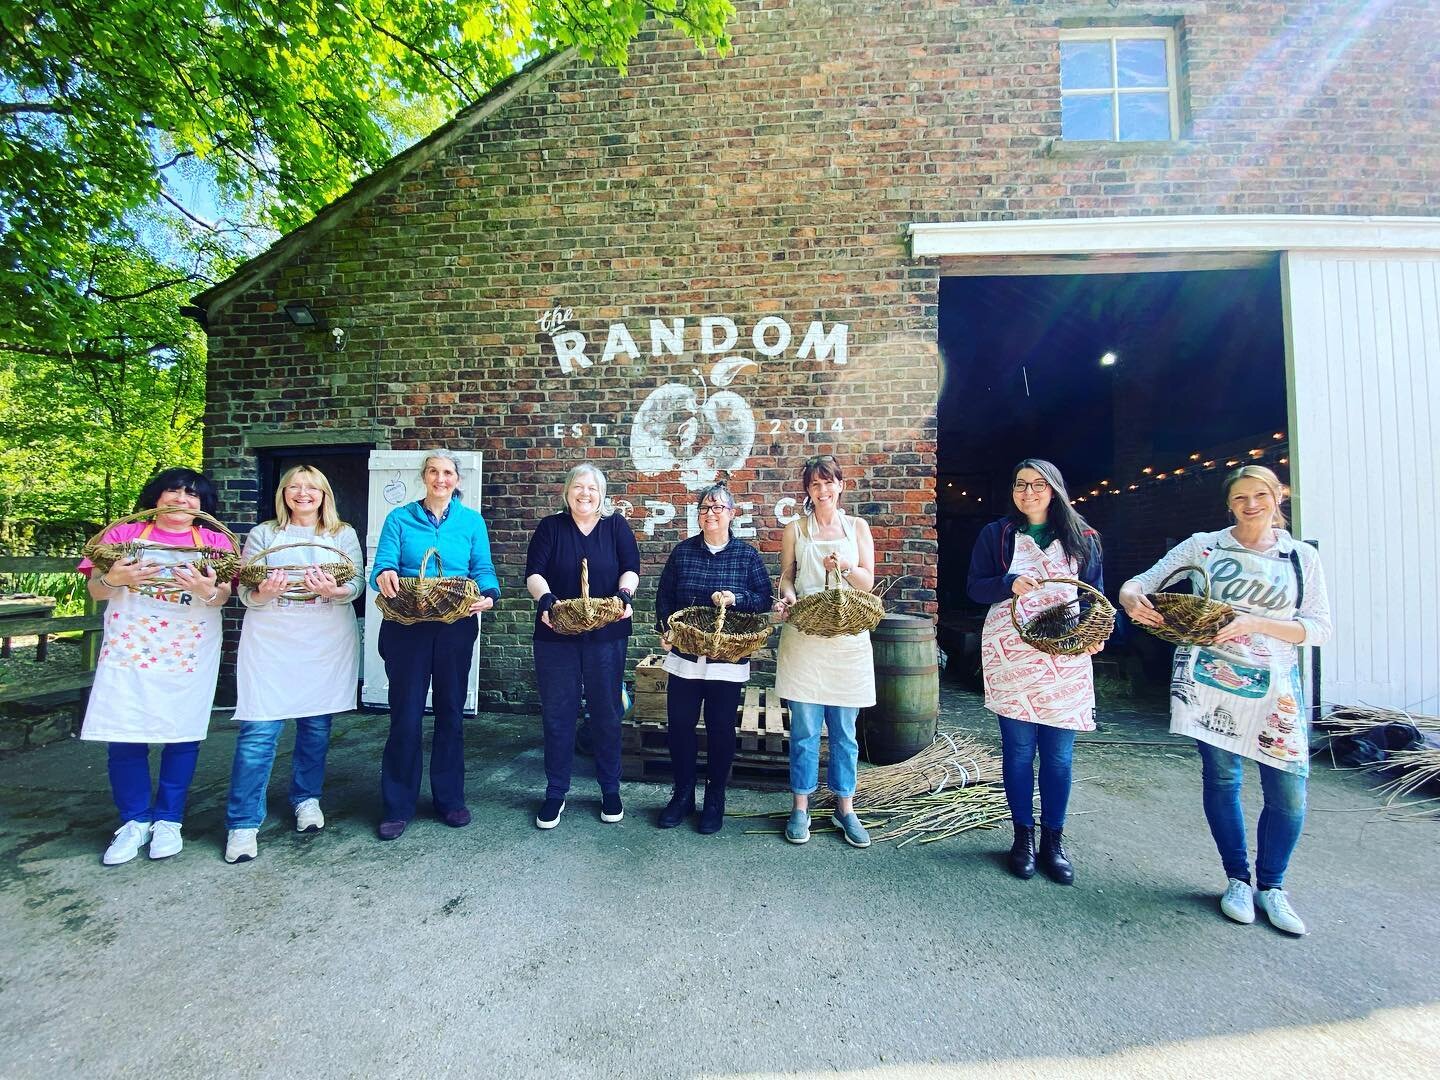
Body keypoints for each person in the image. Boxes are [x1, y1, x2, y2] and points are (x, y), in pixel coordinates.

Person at [1119, 465, 1331, 936]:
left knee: (1288, 793)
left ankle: (1272, 886)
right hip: (1212, 679)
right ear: (1228, 503)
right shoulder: (1205, 546)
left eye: (1260, 495)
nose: (1250, 504)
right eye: (1240, 498)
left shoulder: (1299, 558)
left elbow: (1318, 627)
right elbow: (1141, 582)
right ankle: (1237, 878)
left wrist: (1257, 623)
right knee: (1222, 778)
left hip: (1274, 686)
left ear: (1278, 498)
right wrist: (1133, 597)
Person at [78, 467, 235, 865]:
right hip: (132, 649)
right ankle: (133, 821)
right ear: (156, 497)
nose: (182, 500)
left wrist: (208, 590)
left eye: (192, 496)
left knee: (182, 734)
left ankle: (168, 819)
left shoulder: (215, 542)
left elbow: (224, 596)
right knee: (125, 733)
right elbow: (95, 589)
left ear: (204, 506)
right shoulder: (122, 537)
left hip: (187, 649)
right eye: (173, 492)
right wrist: (115, 578)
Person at [966, 459, 1104, 885]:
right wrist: (1007, 583)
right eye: (1020, 484)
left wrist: (1098, 639)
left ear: (1056, 490)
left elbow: (1097, 597)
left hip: (1065, 655)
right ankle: (1022, 837)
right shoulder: (999, 535)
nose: (1028, 492)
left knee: (1059, 756)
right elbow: (974, 587)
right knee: (1019, 752)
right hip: (1013, 653)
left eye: (1038, 485)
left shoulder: (1084, 538)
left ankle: (1053, 841)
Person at [224, 465, 365, 864]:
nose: (303, 494)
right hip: (272, 640)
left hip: (322, 640)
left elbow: (355, 584)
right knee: (259, 731)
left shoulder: (342, 534)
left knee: (316, 726)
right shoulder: (264, 534)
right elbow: (246, 592)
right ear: (283, 492)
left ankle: (307, 799)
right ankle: (243, 823)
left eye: (312, 488)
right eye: (295, 487)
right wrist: (263, 593)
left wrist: (336, 591)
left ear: (324, 495)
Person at [370, 451, 499, 841]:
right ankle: (397, 805)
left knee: (451, 715)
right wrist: (386, 573)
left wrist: (490, 593)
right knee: (405, 717)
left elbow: (483, 568)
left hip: (455, 625)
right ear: (423, 477)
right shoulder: (399, 519)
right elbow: (382, 564)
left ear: (457, 480)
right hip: (406, 626)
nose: (440, 479)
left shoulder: (471, 522)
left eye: (447, 473)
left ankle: (450, 799)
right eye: (433, 472)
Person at [525, 463, 640, 830]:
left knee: (606, 712)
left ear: (602, 494)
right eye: (578, 486)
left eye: (592, 488)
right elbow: (534, 573)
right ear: (567, 491)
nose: (585, 493)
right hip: (555, 635)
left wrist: (624, 595)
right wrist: (546, 601)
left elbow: (631, 568)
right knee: (558, 714)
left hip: (606, 634)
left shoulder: (616, 526)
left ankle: (609, 789)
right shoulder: (550, 528)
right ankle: (556, 792)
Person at [654, 483, 773, 833]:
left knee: (721, 730)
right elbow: (664, 598)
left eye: (718, 508)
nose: (710, 513)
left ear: (732, 513)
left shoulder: (746, 555)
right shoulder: (683, 553)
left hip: (728, 660)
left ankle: (715, 798)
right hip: (685, 656)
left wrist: (735, 598)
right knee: (679, 726)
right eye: (705, 508)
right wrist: (666, 630)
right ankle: (683, 794)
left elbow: (763, 599)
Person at [773, 455, 876, 849]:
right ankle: (801, 806)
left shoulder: (858, 527)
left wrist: (847, 567)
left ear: (840, 485)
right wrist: (788, 597)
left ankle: (845, 807)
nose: (822, 490)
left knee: (845, 734)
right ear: (807, 491)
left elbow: (866, 584)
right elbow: (787, 576)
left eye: (828, 482)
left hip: (847, 639)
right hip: (805, 636)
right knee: (804, 731)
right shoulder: (794, 529)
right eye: (815, 485)